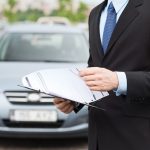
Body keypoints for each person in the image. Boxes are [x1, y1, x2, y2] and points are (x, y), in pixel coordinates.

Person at [54, 0, 150, 150]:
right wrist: (74, 99)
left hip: (138, 136)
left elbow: (110, 78)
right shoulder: (95, 13)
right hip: (98, 136)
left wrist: (118, 80)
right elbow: (94, 67)